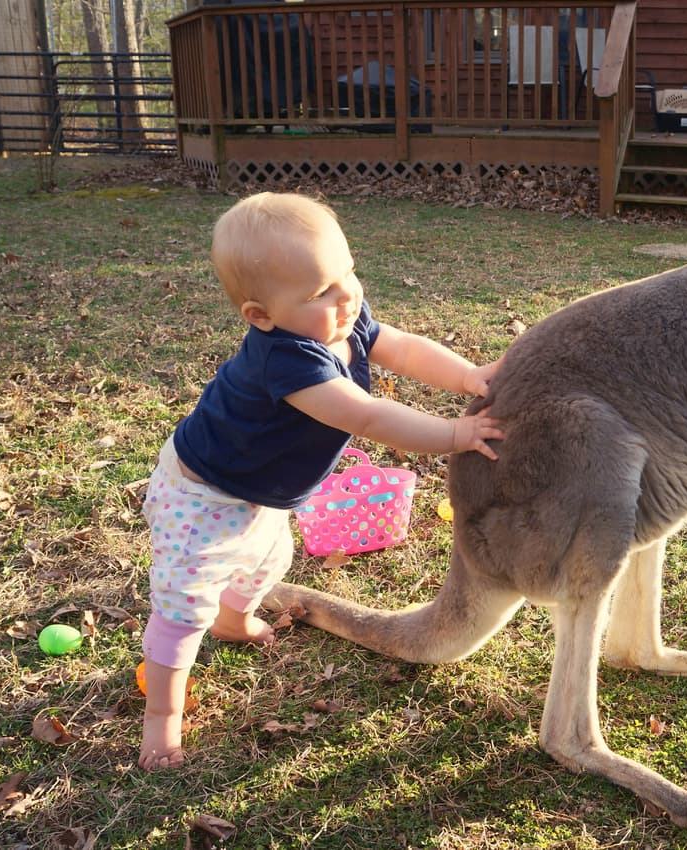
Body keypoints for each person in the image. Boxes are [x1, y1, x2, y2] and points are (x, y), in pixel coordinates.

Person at [138, 192, 503, 769]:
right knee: (183, 608)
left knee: (269, 560)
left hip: (260, 493)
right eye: (319, 293)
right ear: (261, 315)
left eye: (347, 273)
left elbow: (402, 348)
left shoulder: (341, 318)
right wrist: (455, 434)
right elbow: (367, 415)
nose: (346, 296)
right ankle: (163, 717)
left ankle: (233, 619)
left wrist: (468, 377)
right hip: (203, 495)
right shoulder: (285, 359)